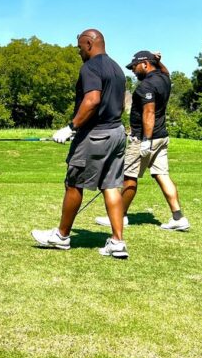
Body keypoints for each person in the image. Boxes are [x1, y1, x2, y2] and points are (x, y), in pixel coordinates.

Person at [31, 29, 129, 258]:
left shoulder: (91, 67)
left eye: (79, 47)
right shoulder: (117, 69)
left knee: (74, 183)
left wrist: (71, 127)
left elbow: (92, 99)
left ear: (88, 43)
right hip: (116, 132)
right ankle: (117, 242)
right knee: (111, 186)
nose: (78, 52)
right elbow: (120, 104)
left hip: (96, 135)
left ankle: (61, 236)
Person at [95, 50, 190, 231]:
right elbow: (166, 72)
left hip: (145, 138)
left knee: (129, 177)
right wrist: (159, 62)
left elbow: (149, 113)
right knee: (162, 175)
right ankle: (178, 217)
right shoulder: (164, 78)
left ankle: (120, 216)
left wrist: (145, 139)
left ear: (145, 64)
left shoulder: (145, 86)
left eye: (135, 67)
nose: (133, 70)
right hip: (162, 137)